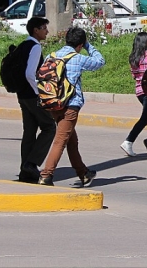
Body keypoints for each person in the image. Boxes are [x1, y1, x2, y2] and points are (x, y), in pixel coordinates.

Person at [38, 27, 105, 186]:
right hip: (70, 106)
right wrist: (88, 46)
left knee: (71, 141)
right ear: (80, 45)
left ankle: (84, 174)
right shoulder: (78, 58)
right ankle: (46, 175)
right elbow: (100, 62)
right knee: (61, 140)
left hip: (53, 104)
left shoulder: (51, 56)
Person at [14, 16, 55, 183]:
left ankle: (25, 172)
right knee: (49, 127)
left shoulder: (23, 44)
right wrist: (39, 93)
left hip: (22, 95)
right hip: (32, 95)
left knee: (29, 132)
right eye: (44, 28)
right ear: (35, 30)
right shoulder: (35, 46)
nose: (47, 31)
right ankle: (31, 163)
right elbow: (30, 74)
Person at [120, 32, 147, 157]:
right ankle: (128, 141)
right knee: (145, 119)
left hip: (139, 91)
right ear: (146, 42)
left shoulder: (134, 57)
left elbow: (134, 75)